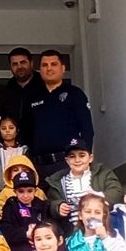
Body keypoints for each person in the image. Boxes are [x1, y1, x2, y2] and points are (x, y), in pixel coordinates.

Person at [25, 50, 92, 180]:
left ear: (62, 68)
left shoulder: (75, 94)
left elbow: (87, 129)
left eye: (53, 64)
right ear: (39, 70)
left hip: (67, 164)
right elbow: (26, 132)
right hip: (39, 166)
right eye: (44, 65)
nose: (49, 68)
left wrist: (84, 160)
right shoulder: (32, 97)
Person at [46, 137, 122, 235]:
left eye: (82, 155)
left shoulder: (103, 173)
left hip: (102, 231)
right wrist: (57, 207)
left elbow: (118, 193)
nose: (77, 160)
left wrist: (98, 195)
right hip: (73, 235)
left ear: (90, 158)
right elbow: (49, 205)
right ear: (67, 160)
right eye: (72, 156)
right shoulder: (58, 181)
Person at [0, 47, 45, 146]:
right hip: (14, 148)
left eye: (23, 62)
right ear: (10, 67)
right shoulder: (6, 91)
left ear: (31, 63)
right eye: (15, 64)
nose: (19, 67)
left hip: (41, 146)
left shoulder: (44, 87)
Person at [0, 154, 45, 222]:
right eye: (15, 170)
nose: (20, 172)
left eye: (25, 170)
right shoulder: (5, 192)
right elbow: (0, 214)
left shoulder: (39, 191)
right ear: (9, 174)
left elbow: (45, 212)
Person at [0, 115, 28, 198]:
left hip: (22, 190)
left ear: (17, 130)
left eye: (11, 128)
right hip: (1, 192)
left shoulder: (24, 150)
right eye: (4, 128)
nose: (7, 131)